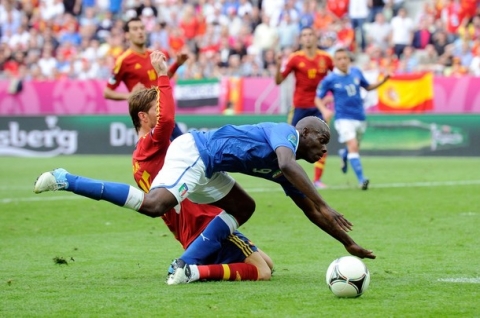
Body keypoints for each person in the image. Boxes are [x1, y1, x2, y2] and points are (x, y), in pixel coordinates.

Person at [34, 81, 376, 282]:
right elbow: (288, 165)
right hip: (196, 152)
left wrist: (345, 243)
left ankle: (187, 266)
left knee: (244, 206)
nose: (324, 148)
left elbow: (310, 211)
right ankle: (67, 179)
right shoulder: (285, 135)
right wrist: (326, 202)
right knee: (155, 205)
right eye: (322, 140)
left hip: (210, 168)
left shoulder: (286, 169)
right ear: (306, 132)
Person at [129, 51, 273, 284]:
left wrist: (170, 70)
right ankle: (194, 272)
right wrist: (163, 74)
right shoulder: (163, 147)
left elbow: (167, 118)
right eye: (158, 107)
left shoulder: (139, 159)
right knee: (262, 272)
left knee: (268, 263)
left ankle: (201, 265)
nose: (163, 110)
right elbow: (167, 119)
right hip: (207, 221)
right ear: (144, 117)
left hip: (187, 232)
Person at [314, 48, 390, 190]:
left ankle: (345, 154)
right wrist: (324, 110)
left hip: (360, 117)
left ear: (349, 60)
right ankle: (362, 180)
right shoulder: (330, 79)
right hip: (343, 118)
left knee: (353, 147)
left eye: (345, 58)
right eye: (339, 59)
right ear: (335, 62)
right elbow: (318, 98)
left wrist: (383, 81)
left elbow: (367, 87)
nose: (342, 61)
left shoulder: (356, 72)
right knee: (353, 145)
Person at [104, 17, 185, 139]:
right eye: (135, 29)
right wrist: (129, 96)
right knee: (163, 154)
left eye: (142, 28)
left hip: (164, 112)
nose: (140, 31)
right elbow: (107, 92)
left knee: (183, 148)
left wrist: (177, 64)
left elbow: (163, 77)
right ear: (127, 35)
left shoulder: (153, 55)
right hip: (148, 118)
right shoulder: (123, 60)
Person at [274, 27, 333, 189]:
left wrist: (330, 97)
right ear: (301, 39)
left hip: (318, 106)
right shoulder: (295, 58)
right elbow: (279, 81)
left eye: (310, 34)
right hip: (299, 106)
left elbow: (337, 80)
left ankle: (318, 180)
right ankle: (284, 173)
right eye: (304, 35)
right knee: (289, 140)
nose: (307, 38)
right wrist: (278, 64)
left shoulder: (326, 58)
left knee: (322, 142)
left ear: (316, 37)